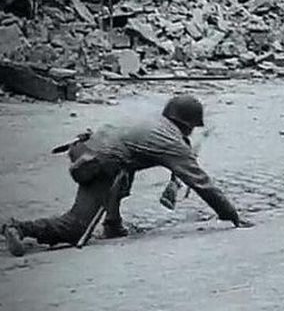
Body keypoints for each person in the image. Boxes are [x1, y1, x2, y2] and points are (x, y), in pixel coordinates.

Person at [2, 95, 251, 257]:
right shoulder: (170, 142)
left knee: (123, 176)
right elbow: (200, 182)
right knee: (75, 226)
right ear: (187, 124)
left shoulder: (153, 121)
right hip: (99, 163)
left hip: (87, 148)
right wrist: (231, 215)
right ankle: (19, 227)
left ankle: (113, 225)